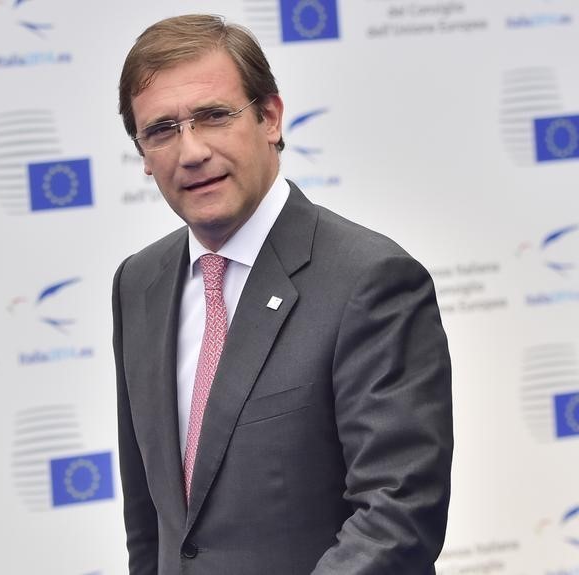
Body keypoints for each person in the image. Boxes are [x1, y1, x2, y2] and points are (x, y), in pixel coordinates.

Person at [112, 14, 453, 575]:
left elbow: (397, 516)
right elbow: (150, 520)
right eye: (162, 129)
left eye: (214, 116)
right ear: (143, 155)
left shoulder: (371, 279)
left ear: (269, 117)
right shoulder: (138, 283)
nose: (190, 150)